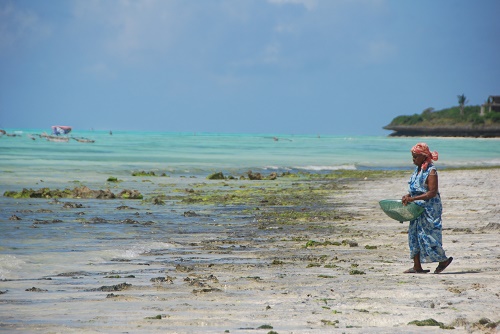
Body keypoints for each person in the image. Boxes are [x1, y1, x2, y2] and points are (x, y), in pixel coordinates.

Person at [401, 143, 453, 274]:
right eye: (412, 157)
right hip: (417, 208)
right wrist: (408, 196)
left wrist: (413, 199)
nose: (413, 160)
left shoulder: (431, 171)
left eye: (415, 157)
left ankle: (443, 260)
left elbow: (432, 192)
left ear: (423, 157)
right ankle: (417, 266)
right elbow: (416, 189)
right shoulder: (418, 170)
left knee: (429, 236)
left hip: (429, 209)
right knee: (414, 235)